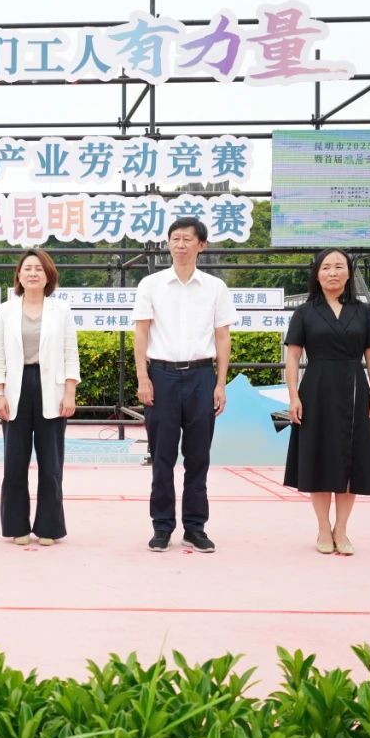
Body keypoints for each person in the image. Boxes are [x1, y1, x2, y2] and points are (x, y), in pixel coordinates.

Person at [132, 216, 237, 553]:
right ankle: (162, 527)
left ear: (201, 245)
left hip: (201, 377)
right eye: (175, 238)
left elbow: (222, 336)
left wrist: (220, 383)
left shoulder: (215, 288)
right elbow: (141, 333)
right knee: (162, 457)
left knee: (198, 457)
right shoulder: (151, 284)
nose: (180, 245)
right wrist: (143, 378)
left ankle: (195, 527)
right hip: (161, 376)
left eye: (187, 239)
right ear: (168, 243)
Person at [283, 249, 370, 556]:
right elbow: (293, 357)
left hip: (355, 390)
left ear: (349, 273)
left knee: (353, 461)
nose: (333, 272)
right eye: (326, 267)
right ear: (317, 274)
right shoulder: (305, 312)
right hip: (316, 391)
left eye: (339, 266)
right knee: (319, 459)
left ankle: (341, 528)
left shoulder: (362, 312)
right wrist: (293, 396)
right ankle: (323, 528)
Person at [0, 249, 79, 546]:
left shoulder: (61, 310)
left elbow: (70, 353)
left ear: (48, 276)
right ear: (18, 275)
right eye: (27, 268)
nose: (32, 273)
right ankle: (16, 525)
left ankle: (49, 527)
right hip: (15, 389)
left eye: (39, 269)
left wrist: (70, 391)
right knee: (14, 463)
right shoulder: (6, 311)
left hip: (51, 388)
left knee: (51, 464)